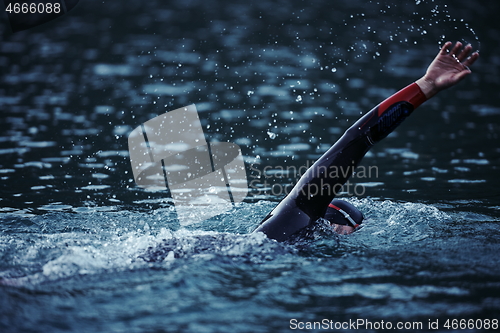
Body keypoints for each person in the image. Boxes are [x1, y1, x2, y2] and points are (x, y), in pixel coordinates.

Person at [253, 41, 479, 242]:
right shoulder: (301, 212)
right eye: (355, 230)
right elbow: (357, 138)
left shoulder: (281, 224)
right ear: (339, 227)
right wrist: (427, 85)